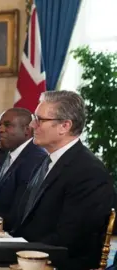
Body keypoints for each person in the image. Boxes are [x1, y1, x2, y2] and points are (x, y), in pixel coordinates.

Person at [10, 91, 115, 269]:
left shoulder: (88, 172)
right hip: (30, 253)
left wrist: (13, 251)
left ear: (64, 126)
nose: (32, 125)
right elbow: (23, 217)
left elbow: (70, 239)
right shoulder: (46, 160)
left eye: (39, 119)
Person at [0, 108, 46, 230]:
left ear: (27, 130)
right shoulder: (8, 153)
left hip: (6, 235)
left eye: (8, 125)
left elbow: (19, 210)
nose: (0, 130)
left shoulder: (35, 158)